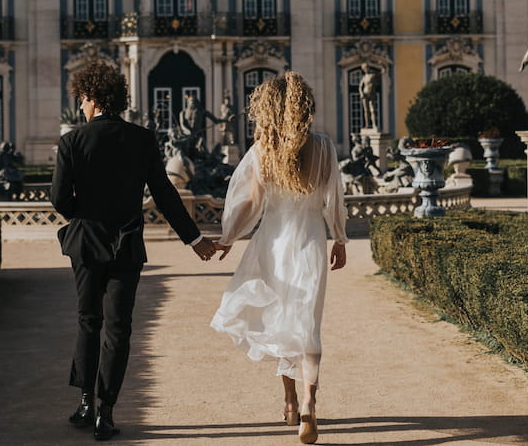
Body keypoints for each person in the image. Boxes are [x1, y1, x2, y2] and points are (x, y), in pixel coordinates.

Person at [52, 61, 217, 440]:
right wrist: (195, 240)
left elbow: (59, 200)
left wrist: (86, 215)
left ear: (92, 97)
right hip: (127, 245)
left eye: (81, 99)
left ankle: (84, 403)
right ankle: (105, 413)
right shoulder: (142, 140)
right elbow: (166, 195)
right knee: (119, 329)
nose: (80, 106)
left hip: (86, 244)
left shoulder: (71, 142)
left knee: (87, 321)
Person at [211, 71, 348, 445]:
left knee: (278, 322)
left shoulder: (262, 150)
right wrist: (340, 238)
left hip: (272, 243)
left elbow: (251, 205)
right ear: (306, 106)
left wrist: (227, 239)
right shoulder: (324, 147)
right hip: (309, 242)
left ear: (267, 109)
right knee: (307, 325)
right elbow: (334, 197)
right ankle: (307, 404)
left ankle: (288, 402)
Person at [359, 63, 380, 130]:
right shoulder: (364, 77)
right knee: (366, 110)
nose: (366, 69)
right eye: (365, 68)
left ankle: (374, 125)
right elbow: (360, 87)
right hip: (365, 94)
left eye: (367, 67)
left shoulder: (373, 75)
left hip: (372, 94)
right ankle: (367, 125)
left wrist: (382, 65)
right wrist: (361, 93)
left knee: (373, 110)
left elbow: (383, 72)